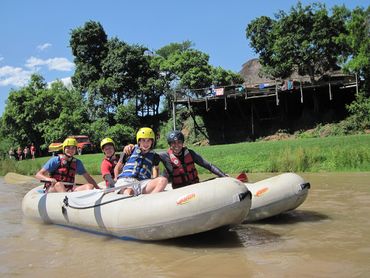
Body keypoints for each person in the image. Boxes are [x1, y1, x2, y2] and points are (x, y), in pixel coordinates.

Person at [160, 130, 228, 189]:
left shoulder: (191, 153)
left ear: (182, 143)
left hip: (195, 187)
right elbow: (163, 177)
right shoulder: (167, 157)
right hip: (179, 191)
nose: (176, 145)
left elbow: (209, 166)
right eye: (173, 143)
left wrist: (223, 175)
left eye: (179, 142)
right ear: (170, 144)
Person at [114, 127, 167, 196]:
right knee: (129, 192)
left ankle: (151, 200)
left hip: (143, 182)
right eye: (143, 140)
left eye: (148, 140)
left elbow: (156, 169)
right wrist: (116, 179)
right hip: (126, 180)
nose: (146, 143)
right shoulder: (130, 150)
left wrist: (154, 181)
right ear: (139, 141)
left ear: (152, 142)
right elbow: (117, 167)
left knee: (163, 180)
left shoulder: (154, 156)